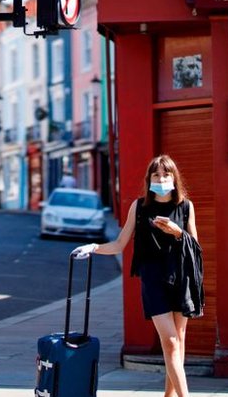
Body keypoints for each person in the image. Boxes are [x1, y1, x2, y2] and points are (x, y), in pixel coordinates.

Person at [72, 154, 202, 397]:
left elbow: (195, 246)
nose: (161, 179)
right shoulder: (139, 207)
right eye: (156, 175)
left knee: (178, 341)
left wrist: (177, 232)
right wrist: (93, 248)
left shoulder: (185, 206)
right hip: (153, 279)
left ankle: (169, 395)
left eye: (166, 174)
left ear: (174, 177)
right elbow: (120, 244)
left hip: (180, 277)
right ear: (149, 178)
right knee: (171, 342)